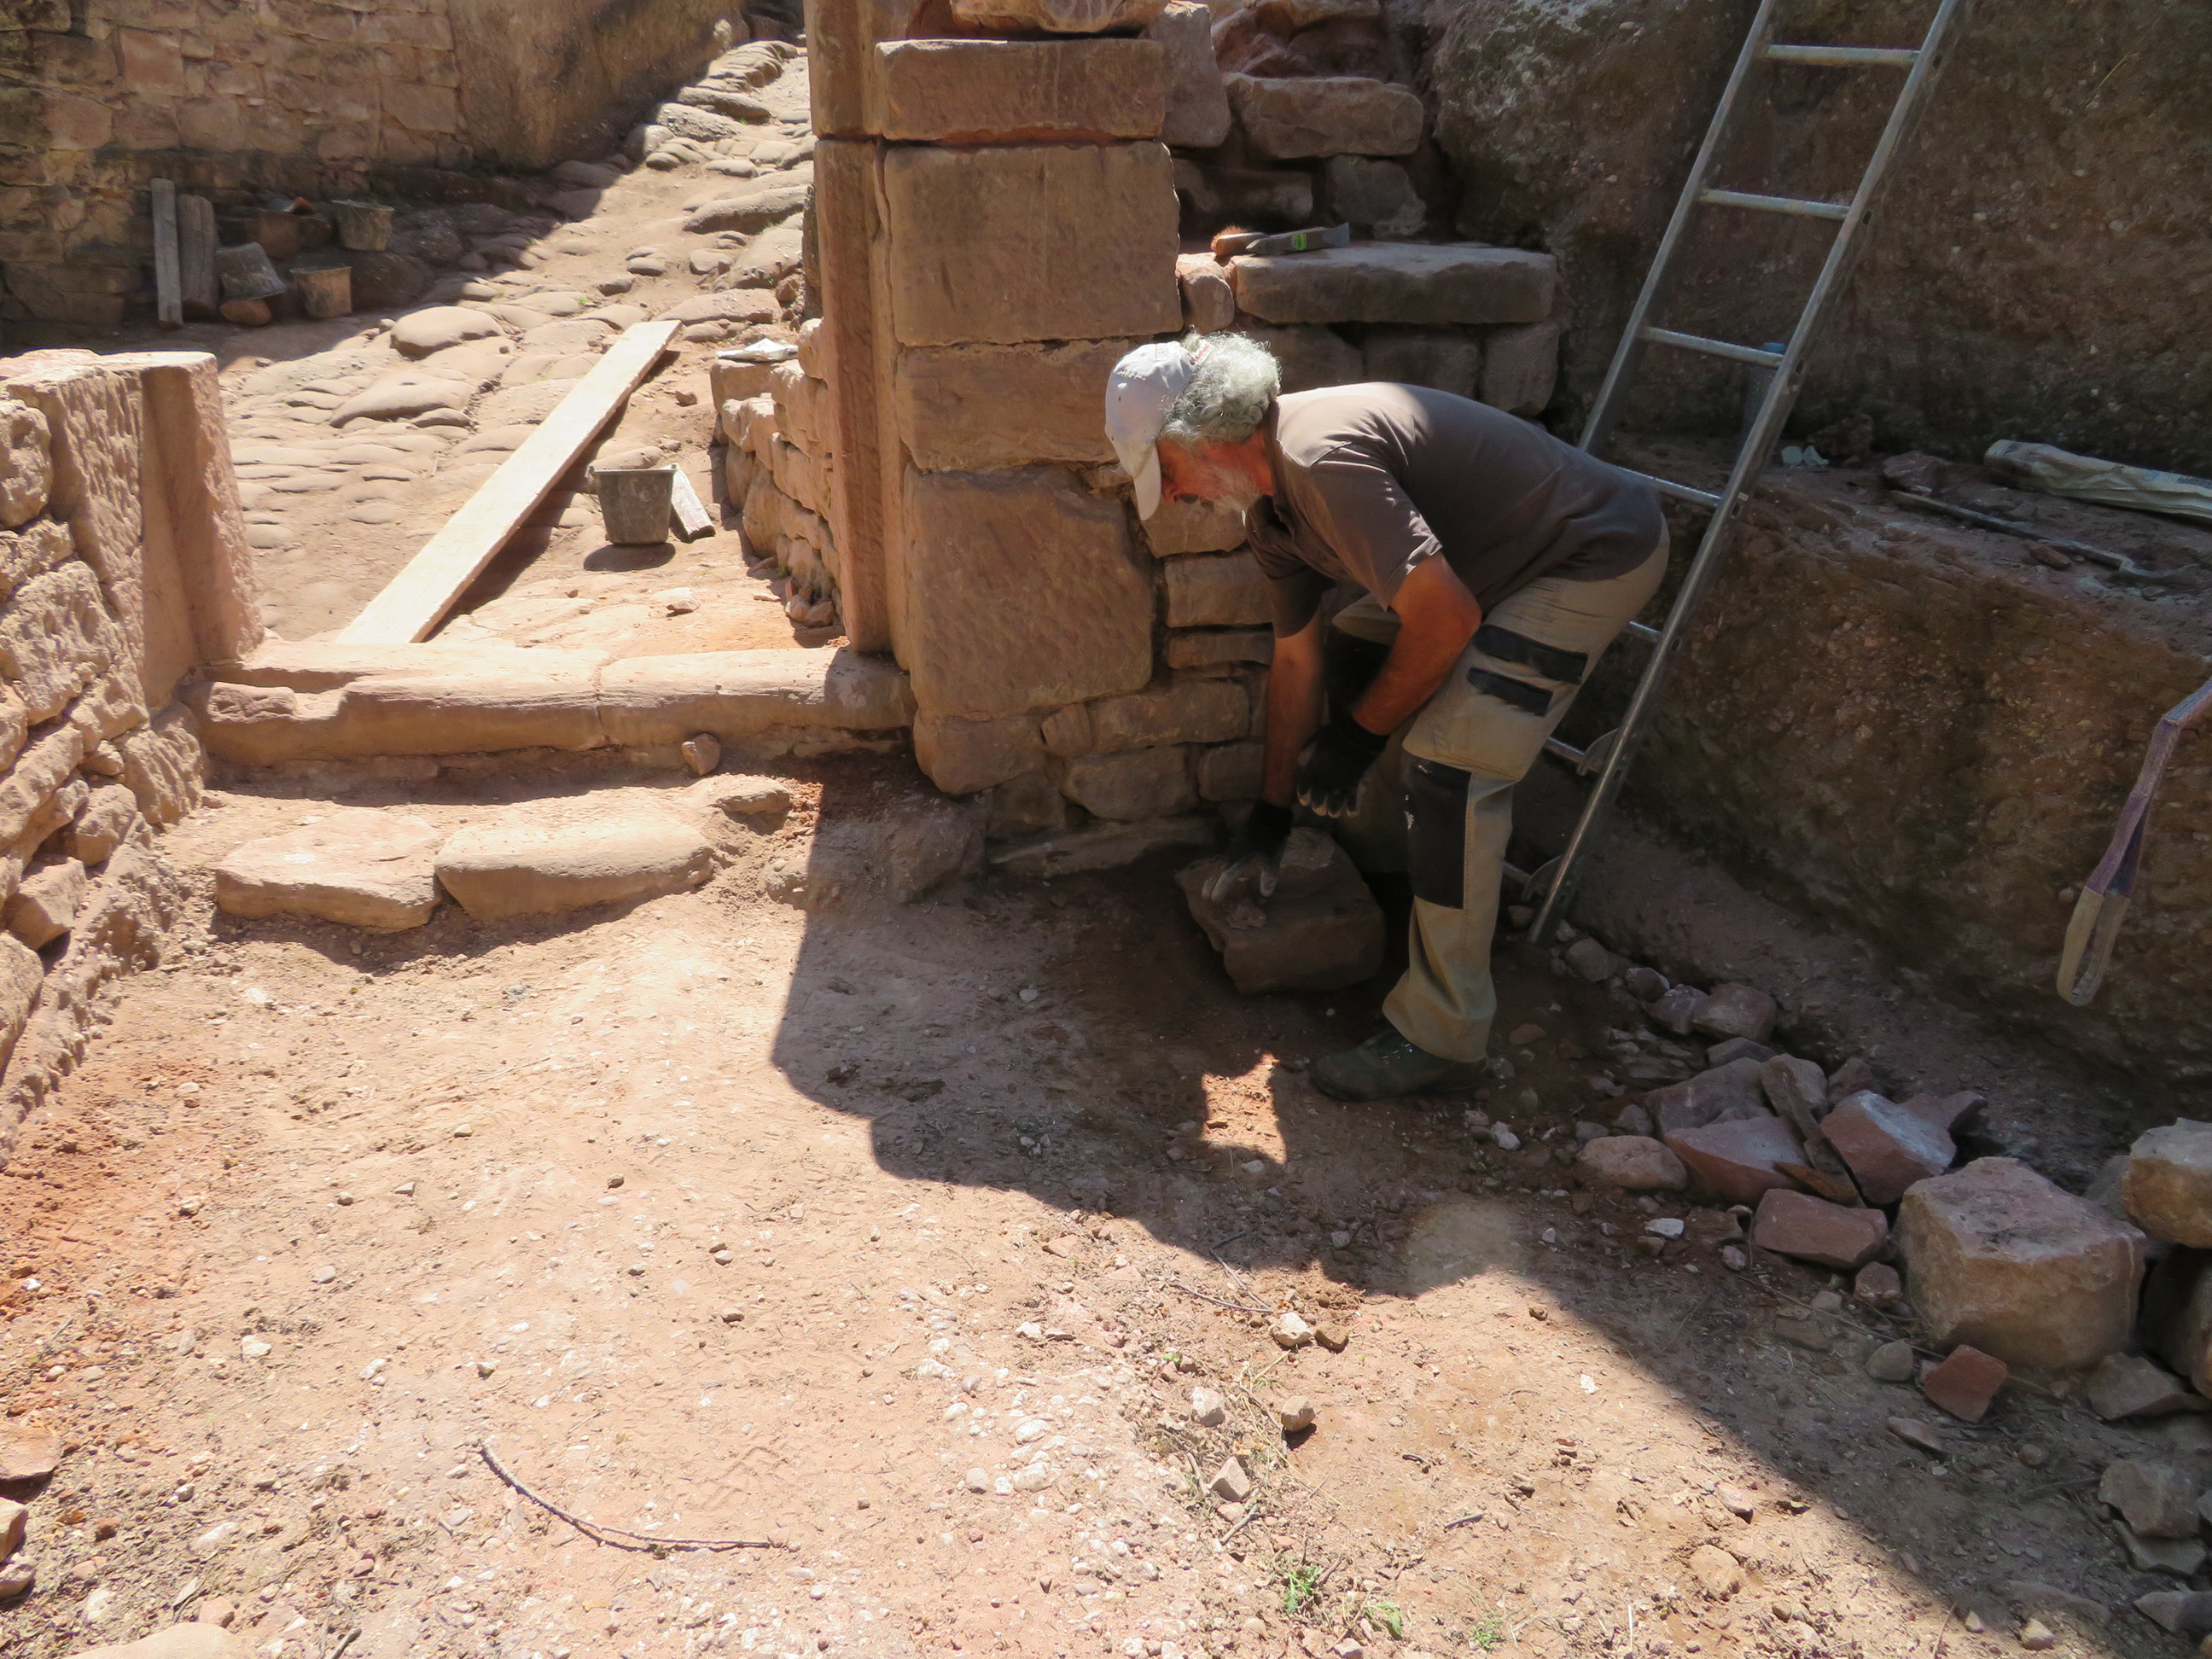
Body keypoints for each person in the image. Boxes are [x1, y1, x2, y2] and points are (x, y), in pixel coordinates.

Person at [1104, 335, 1668, 1102]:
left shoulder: (1319, 462)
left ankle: (1442, 1034)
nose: (1172, 497)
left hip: (1589, 552)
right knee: (1356, 650)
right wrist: (1271, 811)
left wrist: (1359, 735)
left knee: (1450, 767)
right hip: (1482, 562)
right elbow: (1297, 663)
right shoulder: (1272, 514)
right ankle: (1393, 885)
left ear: (1207, 434)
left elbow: (1445, 620)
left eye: (1167, 472)